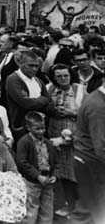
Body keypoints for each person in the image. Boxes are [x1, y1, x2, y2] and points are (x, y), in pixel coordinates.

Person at [46, 63, 81, 216]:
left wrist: (70, 112)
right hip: (56, 136)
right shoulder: (50, 89)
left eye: (65, 75)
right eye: (59, 76)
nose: (63, 79)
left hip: (76, 137)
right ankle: (70, 204)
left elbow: (87, 114)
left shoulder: (80, 90)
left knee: (78, 173)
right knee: (63, 173)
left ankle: (82, 207)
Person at [72, 75, 105, 224]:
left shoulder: (97, 99)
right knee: (98, 211)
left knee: (86, 209)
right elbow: (101, 147)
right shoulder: (98, 107)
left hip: (88, 160)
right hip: (92, 163)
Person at [16, 112, 57, 224]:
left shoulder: (48, 143)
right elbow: (22, 162)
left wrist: (53, 175)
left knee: (47, 210)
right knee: (31, 211)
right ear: (28, 128)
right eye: (37, 129)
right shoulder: (24, 142)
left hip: (47, 181)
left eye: (43, 128)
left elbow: (54, 161)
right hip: (32, 183)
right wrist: (37, 176)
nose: (41, 131)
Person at [6, 49, 52, 144]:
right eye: (31, 65)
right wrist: (42, 100)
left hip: (40, 125)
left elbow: (49, 100)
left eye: (36, 66)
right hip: (22, 127)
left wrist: (39, 101)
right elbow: (26, 103)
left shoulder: (38, 80)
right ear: (21, 64)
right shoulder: (13, 79)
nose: (34, 69)